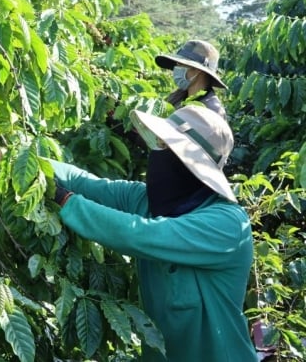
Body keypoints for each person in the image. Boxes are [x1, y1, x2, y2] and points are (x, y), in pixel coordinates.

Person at [49, 105, 257, 361]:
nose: (157, 154)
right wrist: (27, 164)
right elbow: (85, 183)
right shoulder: (146, 200)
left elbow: (139, 234)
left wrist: (66, 201)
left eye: (167, 147)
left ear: (190, 163)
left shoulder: (228, 224)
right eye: (159, 143)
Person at [156, 40, 227, 118]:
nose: (176, 69)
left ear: (198, 69)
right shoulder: (176, 96)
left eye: (180, 64)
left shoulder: (212, 110)